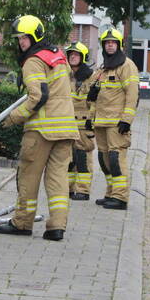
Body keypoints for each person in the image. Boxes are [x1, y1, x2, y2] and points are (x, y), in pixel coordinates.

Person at [0, 16, 79, 240]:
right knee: (58, 179)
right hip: (66, 128)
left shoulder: (33, 60)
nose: (21, 42)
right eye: (19, 38)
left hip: (41, 130)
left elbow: (38, 95)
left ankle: (22, 223)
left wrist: (15, 117)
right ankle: (56, 227)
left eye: (23, 38)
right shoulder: (58, 55)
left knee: (28, 176)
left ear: (33, 36)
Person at [89, 28, 139, 210]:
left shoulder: (127, 66)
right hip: (101, 121)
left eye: (113, 42)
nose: (110, 45)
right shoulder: (103, 68)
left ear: (119, 45)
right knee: (105, 160)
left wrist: (127, 119)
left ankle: (121, 197)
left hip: (117, 123)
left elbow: (133, 95)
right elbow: (93, 93)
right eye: (107, 43)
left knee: (117, 159)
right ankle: (111, 193)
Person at [65, 42, 96, 201]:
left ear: (83, 57)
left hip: (85, 124)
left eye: (76, 55)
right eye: (70, 54)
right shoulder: (66, 76)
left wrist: (92, 120)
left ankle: (83, 191)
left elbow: (95, 101)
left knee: (83, 159)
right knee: (69, 159)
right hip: (68, 124)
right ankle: (69, 190)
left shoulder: (91, 77)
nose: (72, 57)